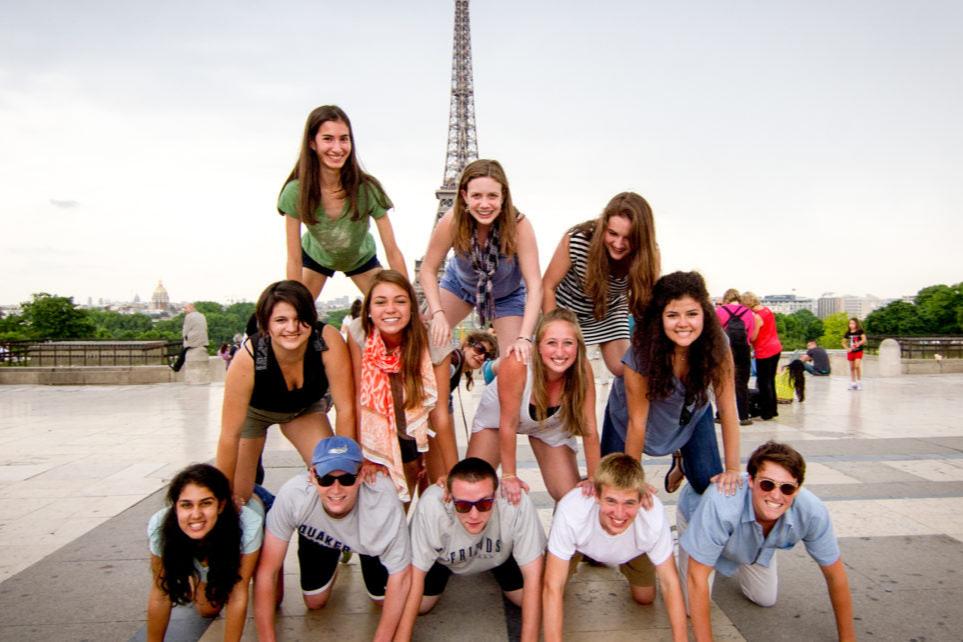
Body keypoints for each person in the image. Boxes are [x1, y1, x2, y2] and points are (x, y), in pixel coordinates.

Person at [677, 441, 855, 642]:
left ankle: (738, 551)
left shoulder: (812, 511)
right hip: (696, 516)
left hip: (749, 539)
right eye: (767, 484)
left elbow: (835, 575)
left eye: (787, 488)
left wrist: (848, 639)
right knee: (693, 607)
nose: (776, 495)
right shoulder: (720, 504)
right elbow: (696, 577)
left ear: (796, 490)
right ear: (751, 481)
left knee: (765, 598)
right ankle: (685, 545)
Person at [253, 436, 411, 642]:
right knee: (314, 601)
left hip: (369, 542)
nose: (336, 489)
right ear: (312, 475)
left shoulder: (384, 499)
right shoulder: (293, 495)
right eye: (326, 479)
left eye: (346, 479)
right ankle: (337, 552)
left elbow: (401, 576)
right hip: (322, 537)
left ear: (361, 475)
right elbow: (267, 571)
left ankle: (355, 550)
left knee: (383, 600)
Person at [601, 272, 741, 499]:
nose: (683, 323)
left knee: (707, 482)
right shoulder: (640, 355)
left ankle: (683, 463)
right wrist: (634, 482)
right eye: (673, 315)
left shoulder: (718, 344)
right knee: (615, 486)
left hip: (689, 411)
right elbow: (637, 423)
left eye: (692, 314)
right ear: (660, 318)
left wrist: (733, 469)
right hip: (628, 418)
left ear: (705, 314)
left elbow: (727, 407)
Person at [216, 280, 355, 505]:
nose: (292, 328)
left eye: (300, 319)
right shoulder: (247, 358)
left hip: (304, 410)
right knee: (238, 496)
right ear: (266, 325)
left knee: (332, 478)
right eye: (281, 320)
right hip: (255, 414)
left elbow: (346, 408)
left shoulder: (326, 340)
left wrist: (347, 464)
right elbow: (229, 435)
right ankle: (263, 506)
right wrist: (219, 496)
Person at [396, 457, 545, 642]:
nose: (474, 515)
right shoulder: (432, 505)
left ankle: (489, 567)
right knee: (418, 605)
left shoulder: (516, 501)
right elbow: (416, 576)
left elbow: (533, 576)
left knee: (539, 598)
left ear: (496, 495)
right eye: (463, 506)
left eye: (484, 504)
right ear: (450, 496)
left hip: (501, 555)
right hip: (443, 559)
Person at [542, 453, 688, 642]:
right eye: (611, 501)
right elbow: (552, 586)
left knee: (645, 597)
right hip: (580, 543)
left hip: (633, 547)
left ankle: (618, 556)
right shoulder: (571, 509)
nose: (619, 513)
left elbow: (670, 583)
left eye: (629, 503)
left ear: (642, 497)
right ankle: (590, 555)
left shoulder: (653, 514)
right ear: (596, 495)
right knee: (550, 591)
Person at [468, 308, 601, 505]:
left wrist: (593, 479)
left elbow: (590, 429)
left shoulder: (583, 369)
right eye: (551, 343)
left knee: (574, 499)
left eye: (568, 343)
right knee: (473, 489)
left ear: (578, 347)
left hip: (549, 427)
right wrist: (509, 475)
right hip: (497, 422)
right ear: (537, 346)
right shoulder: (517, 363)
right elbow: (509, 423)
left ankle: (564, 533)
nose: (560, 352)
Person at [346, 270, 458, 501]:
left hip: (427, 424)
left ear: (412, 308)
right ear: (368, 309)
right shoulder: (359, 333)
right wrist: (364, 457)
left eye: (400, 301)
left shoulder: (433, 339)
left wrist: (453, 473)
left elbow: (439, 413)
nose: (390, 309)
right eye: (380, 302)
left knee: (441, 496)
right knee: (392, 506)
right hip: (385, 427)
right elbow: (361, 400)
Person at [419, 159, 542, 366]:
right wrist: (438, 314)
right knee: (423, 340)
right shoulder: (452, 221)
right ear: (464, 196)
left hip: (506, 296)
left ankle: (492, 381)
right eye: (476, 196)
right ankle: (438, 397)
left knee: (516, 362)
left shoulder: (519, 226)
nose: (484, 204)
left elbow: (535, 285)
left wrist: (524, 338)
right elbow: (428, 269)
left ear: (504, 196)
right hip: (459, 287)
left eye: (492, 196)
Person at [278, 105, 406, 300]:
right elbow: (294, 258)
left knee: (391, 305)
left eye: (344, 139)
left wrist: (407, 299)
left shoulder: (367, 189)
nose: (337, 148)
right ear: (312, 143)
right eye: (328, 139)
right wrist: (296, 303)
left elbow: (393, 251)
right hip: (316, 256)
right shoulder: (295, 192)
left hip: (360, 257)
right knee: (298, 312)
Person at [542, 192, 660, 376]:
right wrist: (553, 330)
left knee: (628, 369)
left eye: (628, 238)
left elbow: (647, 304)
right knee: (569, 369)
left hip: (609, 310)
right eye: (612, 233)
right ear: (603, 226)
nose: (618, 244)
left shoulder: (648, 256)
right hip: (567, 309)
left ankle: (620, 405)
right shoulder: (578, 240)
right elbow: (548, 285)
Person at [146, 464, 262, 642]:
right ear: (175, 507)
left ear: (221, 505)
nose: (196, 514)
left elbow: (238, 593)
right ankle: (201, 573)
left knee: (272, 596)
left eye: (206, 503)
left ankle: (259, 493)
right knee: (207, 609)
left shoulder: (249, 525)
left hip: (252, 517)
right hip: (205, 548)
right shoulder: (159, 525)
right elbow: (160, 592)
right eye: (186, 505)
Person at [715, 289, 757, 426]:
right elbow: (750, 335)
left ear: (726, 298)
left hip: (726, 349)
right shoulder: (749, 313)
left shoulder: (720, 311)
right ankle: (744, 415)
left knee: (723, 381)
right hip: (743, 349)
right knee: (742, 383)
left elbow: (715, 333)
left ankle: (721, 414)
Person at [743, 291, 782, 421]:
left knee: (763, 382)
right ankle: (773, 409)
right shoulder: (767, 311)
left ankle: (766, 412)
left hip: (764, 350)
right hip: (776, 347)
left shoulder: (756, 317)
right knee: (770, 380)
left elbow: (754, 336)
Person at [171, 303, 209, 372]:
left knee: (183, 351)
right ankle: (176, 366)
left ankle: (176, 367)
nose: (184, 310)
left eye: (185, 308)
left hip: (193, 340)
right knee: (184, 350)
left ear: (191, 308)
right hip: (203, 340)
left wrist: (184, 337)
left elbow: (185, 330)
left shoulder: (189, 316)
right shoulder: (202, 315)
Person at [843, 318, 866, 390]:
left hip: (858, 351)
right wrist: (847, 348)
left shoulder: (860, 331)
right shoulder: (848, 333)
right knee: (852, 368)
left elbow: (864, 340)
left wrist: (859, 343)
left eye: (853, 323)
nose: (851, 325)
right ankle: (853, 383)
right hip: (851, 352)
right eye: (850, 323)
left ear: (856, 324)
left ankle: (859, 382)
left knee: (857, 366)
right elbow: (843, 342)